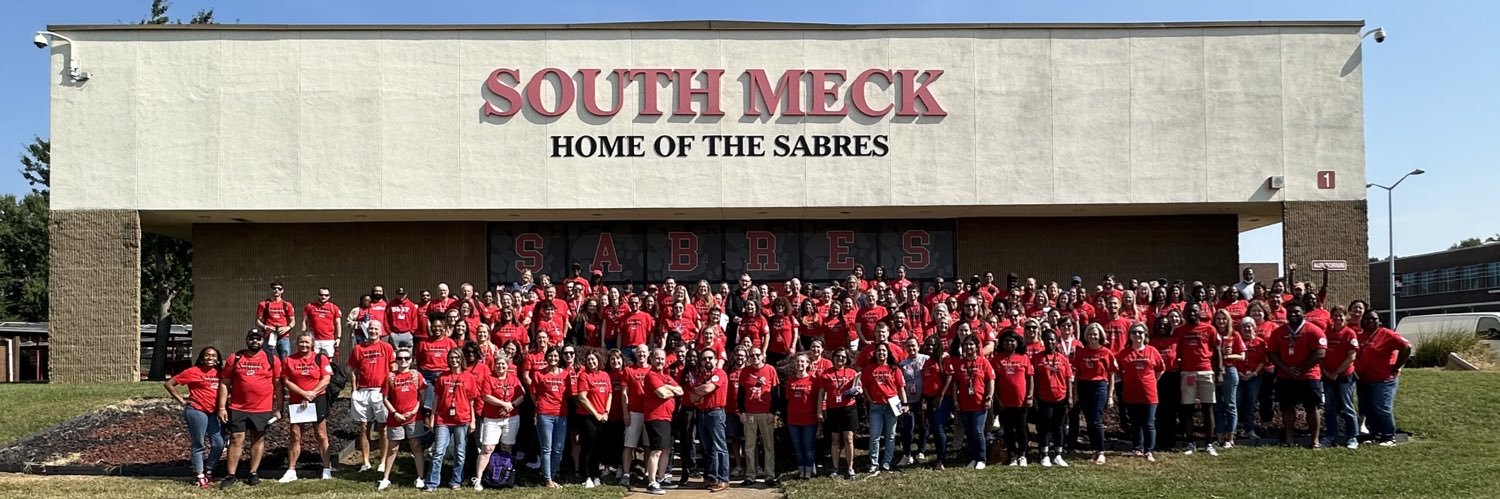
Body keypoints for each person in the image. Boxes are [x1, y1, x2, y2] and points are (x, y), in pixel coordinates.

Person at [217, 329, 282, 489]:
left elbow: (278, 385)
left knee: (258, 439)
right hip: (238, 407)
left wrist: (279, 407)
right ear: (247, 340)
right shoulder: (235, 357)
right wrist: (221, 407)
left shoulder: (271, 359)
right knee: (236, 439)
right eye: (252, 338)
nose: (255, 341)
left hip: (262, 408)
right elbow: (225, 383)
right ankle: (231, 475)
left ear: (262, 341)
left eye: (258, 339)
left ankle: (253, 473)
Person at [1267, 301, 1327, 448]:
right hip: (1285, 377)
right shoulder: (1278, 332)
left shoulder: (1313, 330)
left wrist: (1300, 369)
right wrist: (1286, 369)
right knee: (1287, 407)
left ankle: (1315, 441)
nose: (1293, 314)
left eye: (1297, 311)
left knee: (1311, 407)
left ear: (1304, 313)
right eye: (1290, 312)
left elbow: (1320, 353)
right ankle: (1288, 439)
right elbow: (1272, 353)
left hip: (1309, 376)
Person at [165, 346, 225, 489]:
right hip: (197, 410)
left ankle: (209, 470)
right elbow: (169, 383)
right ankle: (199, 475)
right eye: (207, 355)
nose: (210, 358)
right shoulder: (193, 371)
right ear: (201, 357)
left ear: (217, 359)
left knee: (219, 444)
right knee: (199, 444)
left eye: (213, 356)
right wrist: (181, 400)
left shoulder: (220, 373)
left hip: (213, 412)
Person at [279, 332, 334, 483]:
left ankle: (327, 468)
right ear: (297, 344)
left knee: (321, 435)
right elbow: (286, 381)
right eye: (301, 342)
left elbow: (326, 379)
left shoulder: (320, 358)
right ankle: (291, 470)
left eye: (307, 342)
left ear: (312, 344)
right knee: (295, 435)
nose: (304, 345)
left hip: (318, 400)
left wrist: (312, 394)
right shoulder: (289, 360)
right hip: (297, 401)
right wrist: (303, 394)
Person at [1354, 310, 1411, 446]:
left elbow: (1406, 346)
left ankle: (1389, 437)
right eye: (1367, 319)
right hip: (1364, 379)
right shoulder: (1361, 335)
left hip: (1383, 379)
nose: (1370, 321)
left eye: (1374, 319)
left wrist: (1397, 365)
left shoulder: (1387, 334)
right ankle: (1375, 434)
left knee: (1382, 408)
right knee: (1369, 408)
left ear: (1379, 320)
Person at [426, 349, 478, 491]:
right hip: (443, 419)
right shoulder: (442, 377)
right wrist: (432, 417)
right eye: (451, 358)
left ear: (461, 359)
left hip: (462, 419)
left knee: (460, 453)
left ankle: (456, 480)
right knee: (438, 452)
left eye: (456, 357)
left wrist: (473, 420)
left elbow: (472, 400)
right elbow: (436, 398)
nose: (454, 360)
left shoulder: (469, 377)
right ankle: (432, 483)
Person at [347, 320, 394, 473]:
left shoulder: (386, 347)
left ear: (380, 332)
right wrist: (354, 390)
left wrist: (390, 390)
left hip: (381, 391)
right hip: (362, 391)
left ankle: (382, 462)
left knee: (383, 427)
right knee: (363, 427)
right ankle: (365, 462)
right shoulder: (358, 348)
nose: (373, 331)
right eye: (371, 328)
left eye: (376, 329)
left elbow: (392, 369)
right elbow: (354, 370)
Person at [1175, 302, 1221, 456]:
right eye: (1188, 312)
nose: (1191, 314)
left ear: (1200, 312)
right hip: (1187, 373)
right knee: (1187, 408)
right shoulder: (1180, 331)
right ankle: (1190, 442)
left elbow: (1217, 350)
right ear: (1184, 313)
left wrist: (1220, 371)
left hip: (1206, 371)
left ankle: (1209, 443)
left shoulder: (1209, 329)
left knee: (1207, 408)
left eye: (1194, 311)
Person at [378, 348, 427, 491]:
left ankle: (420, 477)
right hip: (395, 417)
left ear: (411, 360)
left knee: (416, 446)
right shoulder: (390, 376)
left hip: (414, 416)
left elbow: (421, 396)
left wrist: (414, 411)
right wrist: (394, 413)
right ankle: (386, 478)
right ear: (396, 360)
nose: (403, 361)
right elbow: (385, 398)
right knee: (393, 448)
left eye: (406, 358)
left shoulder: (416, 375)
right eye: (400, 358)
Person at [475, 355, 524, 490]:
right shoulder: (489, 379)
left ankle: (504, 475)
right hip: (492, 418)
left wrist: (511, 406)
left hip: (511, 418)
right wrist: (504, 404)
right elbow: (486, 396)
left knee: (507, 447)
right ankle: (478, 479)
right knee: (487, 448)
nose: (501, 366)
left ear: (507, 366)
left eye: (503, 364)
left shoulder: (513, 379)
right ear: (494, 365)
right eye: (498, 364)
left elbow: (521, 396)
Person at [941, 335, 990, 469]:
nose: (968, 347)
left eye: (971, 344)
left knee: (978, 430)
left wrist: (989, 397)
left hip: (979, 403)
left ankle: (981, 458)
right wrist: (956, 401)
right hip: (964, 403)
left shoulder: (983, 362)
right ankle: (973, 457)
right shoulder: (960, 363)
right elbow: (956, 383)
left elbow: (990, 380)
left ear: (976, 346)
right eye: (966, 344)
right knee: (969, 431)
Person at [1118, 324, 1165, 462]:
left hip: (1149, 393)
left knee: (1149, 423)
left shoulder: (1152, 351)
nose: (1137, 335)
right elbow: (1118, 370)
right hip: (1131, 393)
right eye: (1134, 332)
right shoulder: (1124, 353)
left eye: (1140, 332)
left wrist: (1152, 381)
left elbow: (1161, 369)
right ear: (1130, 336)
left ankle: (1149, 450)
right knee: (1135, 423)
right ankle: (1137, 448)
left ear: (1145, 335)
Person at [1071, 323, 1116, 464]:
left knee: (1096, 420)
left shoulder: (1106, 353)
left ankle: (1101, 451)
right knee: (1089, 421)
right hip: (1084, 386)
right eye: (1090, 334)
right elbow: (1077, 374)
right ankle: (1094, 450)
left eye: (1095, 334)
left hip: (1099, 387)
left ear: (1100, 336)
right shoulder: (1081, 353)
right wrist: (1075, 393)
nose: (1093, 337)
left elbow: (1111, 375)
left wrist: (1110, 396)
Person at [644, 348, 685, 495]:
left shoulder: (666, 376)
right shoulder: (651, 375)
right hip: (655, 417)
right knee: (656, 450)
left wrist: (668, 387)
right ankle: (652, 482)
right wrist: (668, 389)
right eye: (657, 358)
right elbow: (661, 394)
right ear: (652, 359)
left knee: (666, 449)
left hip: (667, 417)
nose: (660, 361)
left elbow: (680, 391)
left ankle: (661, 478)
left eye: (662, 358)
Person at [863, 341, 908, 474]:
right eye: (879, 351)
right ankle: (874, 463)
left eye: (884, 351)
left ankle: (887, 462)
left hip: (892, 405)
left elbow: (901, 388)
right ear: (875, 353)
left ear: (888, 353)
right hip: (876, 406)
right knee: (875, 436)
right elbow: (864, 385)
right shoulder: (870, 368)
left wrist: (904, 404)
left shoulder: (894, 369)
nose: (881, 353)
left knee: (891, 436)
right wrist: (869, 398)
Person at [737, 346, 780, 486]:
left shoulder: (770, 370)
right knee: (749, 446)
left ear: (762, 356)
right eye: (752, 356)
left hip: (766, 413)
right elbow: (741, 393)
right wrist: (742, 411)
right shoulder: (745, 372)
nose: (755, 358)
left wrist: (773, 412)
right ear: (749, 358)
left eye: (757, 355)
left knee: (768, 445)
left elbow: (776, 393)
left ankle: (769, 475)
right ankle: (750, 475)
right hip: (750, 413)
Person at [990, 331, 1034, 466]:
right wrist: (998, 400)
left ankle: (1022, 455)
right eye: (1007, 341)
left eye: (1012, 341)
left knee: (1021, 429)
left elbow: (1030, 378)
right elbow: (994, 382)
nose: (1009, 343)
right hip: (1004, 402)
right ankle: (1013, 454)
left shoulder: (1024, 357)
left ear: (1017, 342)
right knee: (1008, 430)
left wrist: (1030, 396)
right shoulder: (996, 359)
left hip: (1021, 402)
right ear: (1002, 343)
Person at [1031, 328, 1073, 468]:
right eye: (1047, 339)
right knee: (1044, 427)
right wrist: (1034, 397)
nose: (1050, 341)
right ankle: (1044, 454)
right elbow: (1033, 379)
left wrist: (1070, 397)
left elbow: (1068, 378)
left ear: (1056, 341)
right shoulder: (1037, 358)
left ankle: (1058, 455)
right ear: (1043, 341)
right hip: (1044, 397)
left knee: (1058, 427)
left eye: (1053, 339)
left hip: (1060, 397)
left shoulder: (1063, 359)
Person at [691, 348, 731, 492]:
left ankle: (723, 479)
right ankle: (711, 478)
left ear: (715, 359)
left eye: (710, 358)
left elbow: (707, 389)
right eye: (704, 359)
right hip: (702, 413)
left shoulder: (719, 373)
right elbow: (693, 397)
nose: (707, 361)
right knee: (708, 449)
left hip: (715, 413)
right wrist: (700, 390)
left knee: (720, 447)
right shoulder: (700, 376)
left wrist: (699, 390)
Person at [1320, 306, 1360, 449]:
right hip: (1328, 376)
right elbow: (1321, 353)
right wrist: (1325, 371)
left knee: (1347, 407)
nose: (1338, 318)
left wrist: (1336, 372)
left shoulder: (1350, 334)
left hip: (1344, 376)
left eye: (1340, 316)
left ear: (1346, 317)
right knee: (1330, 407)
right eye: (1335, 316)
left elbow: (1352, 356)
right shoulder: (1326, 333)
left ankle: (1353, 437)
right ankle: (1331, 435)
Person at [530, 347, 570, 488]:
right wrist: (540, 406)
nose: (553, 358)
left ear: (559, 358)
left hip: (561, 414)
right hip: (545, 413)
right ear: (546, 358)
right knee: (546, 448)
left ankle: (552, 476)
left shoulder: (566, 374)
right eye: (550, 356)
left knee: (558, 448)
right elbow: (533, 393)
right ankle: (547, 479)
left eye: (555, 356)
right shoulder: (538, 374)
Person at [817, 348, 859, 479]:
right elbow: (821, 393)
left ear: (846, 359)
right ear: (833, 357)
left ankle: (850, 467)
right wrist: (819, 410)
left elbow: (859, 388)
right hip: (833, 409)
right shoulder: (826, 374)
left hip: (849, 409)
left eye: (843, 357)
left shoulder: (852, 372)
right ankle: (835, 468)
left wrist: (858, 390)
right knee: (835, 440)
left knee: (848, 439)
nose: (840, 359)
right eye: (838, 356)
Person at [574, 350, 613, 488]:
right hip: (587, 417)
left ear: (598, 360)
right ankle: (587, 476)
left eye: (593, 359)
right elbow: (582, 397)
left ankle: (596, 474)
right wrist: (596, 414)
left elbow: (609, 394)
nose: (591, 362)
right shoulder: (584, 376)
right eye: (589, 360)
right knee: (588, 447)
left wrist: (606, 412)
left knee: (598, 447)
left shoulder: (605, 375)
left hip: (602, 417)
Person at [1211, 309, 1245, 449]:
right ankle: (1219, 435)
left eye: (1223, 319)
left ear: (1228, 320)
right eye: (1218, 318)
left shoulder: (1234, 335)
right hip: (1213, 372)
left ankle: (1230, 437)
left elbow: (1242, 356)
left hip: (1229, 371)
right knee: (1216, 405)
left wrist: (1225, 356)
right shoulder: (1211, 334)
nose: (1221, 321)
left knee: (1230, 405)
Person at [784, 353, 819, 480]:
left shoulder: (813, 380)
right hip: (793, 419)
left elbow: (817, 399)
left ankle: (809, 471)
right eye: (798, 362)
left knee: (808, 446)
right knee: (797, 447)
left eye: (803, 362)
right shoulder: (790, 381)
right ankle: (801, 469)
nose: (800, 364)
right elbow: (788, 398)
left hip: (809, 419)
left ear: (808, 364)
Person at [1234, 317, 1269, 441]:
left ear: (1254, 327)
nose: (1247, 329)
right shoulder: (1236, 341)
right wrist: (1239, 373)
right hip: (1238, 375)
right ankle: (1234, 430)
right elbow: (1232, 359)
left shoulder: (1260, 342)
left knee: (1250, 402)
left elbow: (1262, 361)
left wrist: (1254, 373)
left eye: (1249, 326)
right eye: (1244, 327)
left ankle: (1250, 429)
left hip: (1255, 377)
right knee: (1236, 402)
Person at [896, 336, 929, 466]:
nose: (911, 348)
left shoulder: (925, 359)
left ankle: (921, 451)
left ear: (918, 346)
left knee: (924, 425)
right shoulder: (903, 364)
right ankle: (907, 454)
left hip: (923, 399)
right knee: (908, 427)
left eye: (913, 345)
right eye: (909, 346)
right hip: (909, 400)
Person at [256, 282, 295, 359]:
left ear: (282, 290)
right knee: (269, 358)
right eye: (274, 288)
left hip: (283, 336)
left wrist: (286, 328)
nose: (276, 290)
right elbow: (257, 321)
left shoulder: (287, 305)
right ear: (271, 290)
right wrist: (265, 327)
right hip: (269, 335)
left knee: (285, 359)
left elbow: (293, 321)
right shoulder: (264, 304)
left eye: (279, 288)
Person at [303, 287, 343, 357]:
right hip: (313, 339)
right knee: (312, 360)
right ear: (318, 295)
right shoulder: (310, 306)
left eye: (326, 295)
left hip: (329, 339)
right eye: (321, 295)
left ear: (329, 296)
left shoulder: (334, 307)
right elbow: (304, 322)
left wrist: (338, 338)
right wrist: (303, 335)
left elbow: (338, 324)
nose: (323, 297)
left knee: (328, 361)